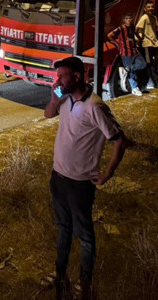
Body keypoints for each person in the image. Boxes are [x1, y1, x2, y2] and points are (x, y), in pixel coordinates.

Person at [44, 56, 128, 299]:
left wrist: (107, 174)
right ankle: (60, 274)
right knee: (63, 228)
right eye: (57, 75)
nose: (57, 79)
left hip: (80, 183)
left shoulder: (95, 106)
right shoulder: (66, 98)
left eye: (62, 75)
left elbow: (119, 141)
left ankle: (85, 283)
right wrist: (54, 97)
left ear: (78, 76)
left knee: (85, 235)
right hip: (58, 177)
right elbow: (49, 114)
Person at [106, 12, 145, 97]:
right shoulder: (120, 28)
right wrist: (117, 43)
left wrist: (139, 39)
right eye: (127, 18)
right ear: (124, 20)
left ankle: (126, 69)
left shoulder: (133, 27)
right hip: (125, 53)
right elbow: (109, 35)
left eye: (130, 18)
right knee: (131, 72)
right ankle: (134, 88)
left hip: (134, 51)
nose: (129, 20)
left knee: (143, 64)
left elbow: (136, 34)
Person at [136, 1, 158, 90]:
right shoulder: (144, 18)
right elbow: (137, 30)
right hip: (147, 45)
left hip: (155, 44)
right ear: (145, 9)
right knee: (149, 64)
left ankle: (155, 81)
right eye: (149, 7)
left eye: (152, 6)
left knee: (156, 64)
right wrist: (141, 39)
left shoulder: (154, 18)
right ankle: (153, 82)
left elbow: (155, 31)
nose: (151, 8)